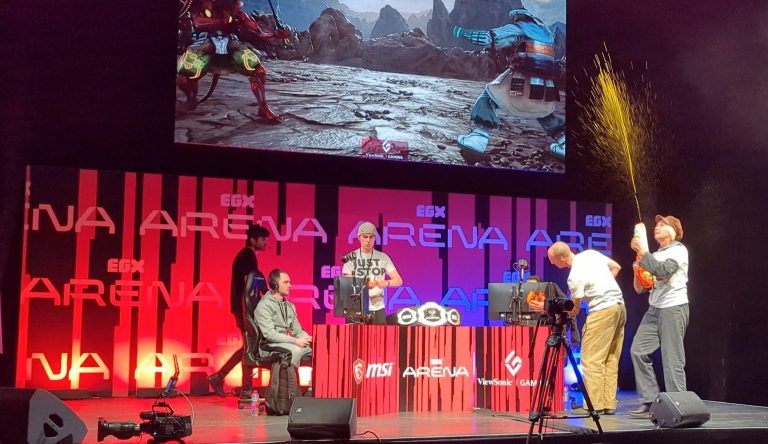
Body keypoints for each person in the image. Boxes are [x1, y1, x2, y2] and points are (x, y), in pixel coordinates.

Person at [453, 8, 565, 158]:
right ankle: (564, 142)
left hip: (521, 81)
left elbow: (487, 38)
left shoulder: (518, 28)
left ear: (519, 17)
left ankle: (478, 138)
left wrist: (461, 32)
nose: (513, 20)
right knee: (543, 110)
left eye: (514, 18)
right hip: (546, 88)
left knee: (489, 95)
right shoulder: (547, 35)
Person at [545, 241, 625, 415]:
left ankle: (594, 405)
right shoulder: (590, 254)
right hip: (619, 307)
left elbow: (574, 309)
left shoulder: (574, 276)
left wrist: (556, 309)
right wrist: (602, 287)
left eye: (553, 260)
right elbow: (616, 267)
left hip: (602, 311)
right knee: (610, 357)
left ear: (562, 258)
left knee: (591, 358)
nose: (552, 263)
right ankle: (608, 403)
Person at [629, 215, 689, 415]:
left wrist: (644, 253)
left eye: (663, 225)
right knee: (638, 350)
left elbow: (663, 271)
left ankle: (679, 405)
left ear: (674, 231)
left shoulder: (679, 250)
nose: (657, 228)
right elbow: (640, 288)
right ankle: (649, 400)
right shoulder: (653, 254)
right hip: (654, 309)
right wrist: (637, 269)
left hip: (673, 307)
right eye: (656, 225)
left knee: (672, 358)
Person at [207, 224, 270, 399]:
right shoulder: (247, 256)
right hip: (245, 308)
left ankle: (221, 378)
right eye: (263, 239)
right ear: (253, 240)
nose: (265, 243)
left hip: (243, 307)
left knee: (248, 346)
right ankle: (245, 387)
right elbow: (249, 285)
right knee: (249, 347)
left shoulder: (246, 256)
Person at [342, 222, 403, 324]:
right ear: (359, 237)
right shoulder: (350, 258)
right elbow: (347, 284)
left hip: (377, 308)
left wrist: (386, 283)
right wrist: (365, 285)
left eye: (371, 237)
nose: (368, 240)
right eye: (365, 237)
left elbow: (399, 280)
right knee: (355, 339)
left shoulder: (383, 257)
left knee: (379, 339)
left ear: (375, 238)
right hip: (355, 309)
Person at [255, 269, 312, 368]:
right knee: (295, 351)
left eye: (290, 282)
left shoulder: (289, 306)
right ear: (274, 285)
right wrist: (295, 341)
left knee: (317, 349)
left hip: (285, 343)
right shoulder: (264, 306)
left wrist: (307, 338)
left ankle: (317, 382)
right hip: (268, 346)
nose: (289, 285)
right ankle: (290, 383)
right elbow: (270, 335)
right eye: (285, 282)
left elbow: (297, 330)